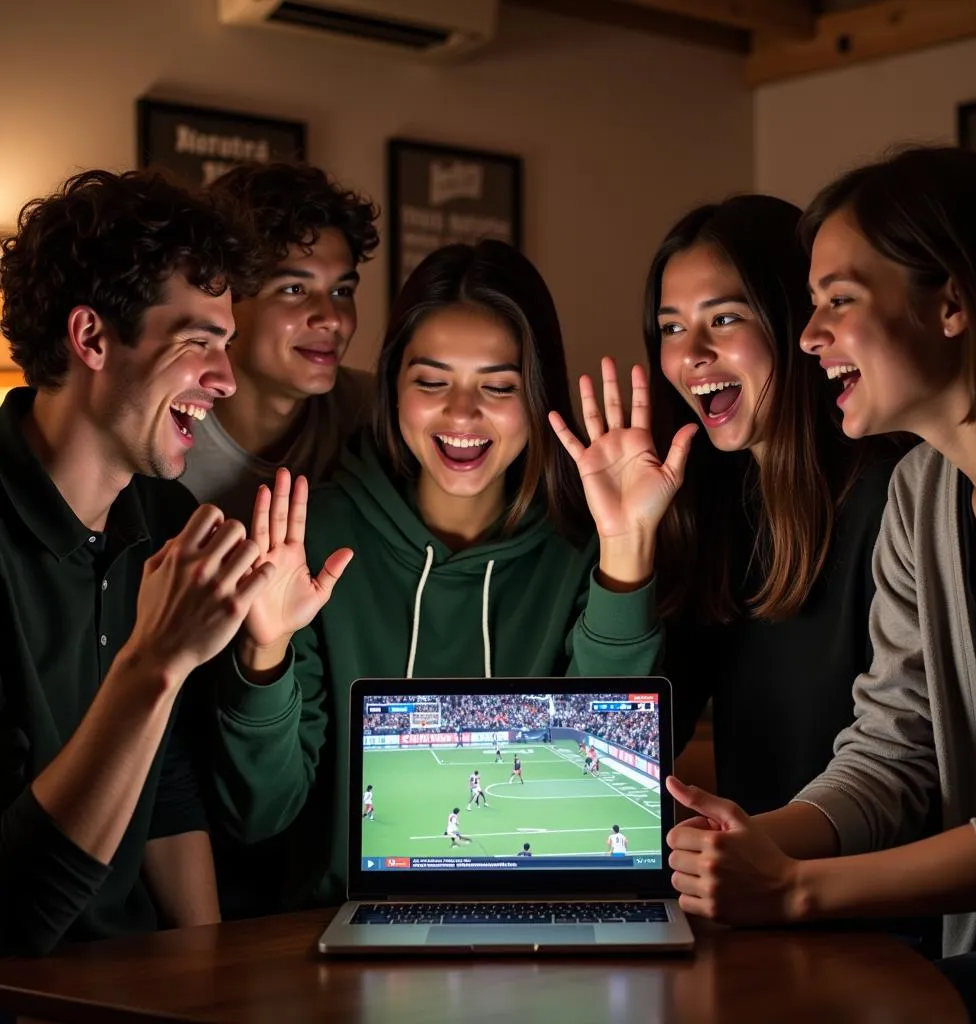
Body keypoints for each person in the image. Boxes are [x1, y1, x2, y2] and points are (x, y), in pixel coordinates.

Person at [208, 239, 693, 910]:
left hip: (542, 922)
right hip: (337, 928)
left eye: (498, 387)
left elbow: (607, 778)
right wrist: (264, 653)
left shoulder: (584, 547)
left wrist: (627, 547)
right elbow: (259, 816)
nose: (462, 415)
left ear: (537, 394)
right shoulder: (311, 539)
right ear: (391, 387)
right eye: (431, 382)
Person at [663, 147, 976, 1019]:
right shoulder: (925, 493)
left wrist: (793, 889)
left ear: (953, 303)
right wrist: (741, 846)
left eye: (839, 300)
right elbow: (893, 750)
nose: (809, 331)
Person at [0, 169, 273, 955]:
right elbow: (10, 919)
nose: (224, 380)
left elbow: (168, 782)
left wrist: (209, 982)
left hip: (136, 984)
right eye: (199, 345)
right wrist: (153, 660)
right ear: (91, 339)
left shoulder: (166, 521)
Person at [646, 194, 909, 821]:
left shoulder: (894, 493)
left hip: (871, 903)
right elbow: (644, 734)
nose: (692, 356)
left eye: (725, 319)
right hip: (750, 896)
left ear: (798, 320)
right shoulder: (713, 505)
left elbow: (904, 763)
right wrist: (626, 543)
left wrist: (779, 869)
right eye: (672, 328)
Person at [180, 162, 380, 523]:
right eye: (294, 289)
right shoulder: (161, 431)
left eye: (341, 291)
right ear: (225, 298)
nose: (331, 318)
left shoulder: (376, 415)